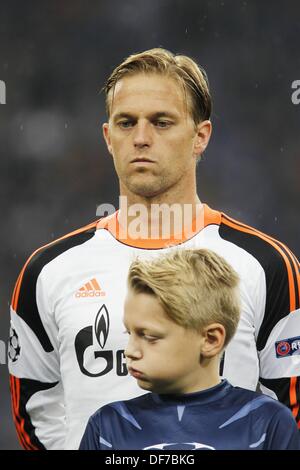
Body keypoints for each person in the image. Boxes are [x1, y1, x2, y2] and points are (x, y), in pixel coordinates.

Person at [8, 48, 300, 450]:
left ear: (201, 136)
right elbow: (34, 412)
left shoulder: (266, 265)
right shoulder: (48, 271)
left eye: (162, 122)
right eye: (127, 123)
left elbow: (290, 412)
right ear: (108, 138)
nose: (141, 138)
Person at [79, 249, 300, 450]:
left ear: (211, 340)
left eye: (149, 337)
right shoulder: (108, 427)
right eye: (130, 333)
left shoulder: (267, 424)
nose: (130, 351)